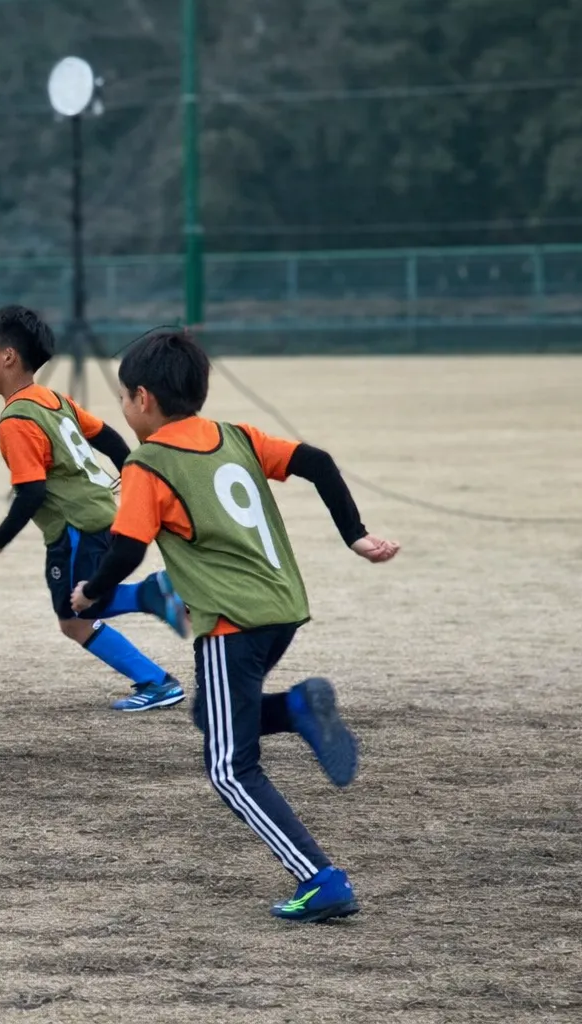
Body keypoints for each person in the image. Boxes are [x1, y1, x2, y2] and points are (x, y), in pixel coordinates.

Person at [71, 327, 399, 922]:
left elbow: (127, 549)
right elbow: (318, 463)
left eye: (122, 396)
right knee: (213, 715)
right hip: (281, 609)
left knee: (229, 767)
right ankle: (297, 708)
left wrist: (91, 592)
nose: (122, 407)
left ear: (143, 398)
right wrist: (354, 534)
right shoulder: (236, 436)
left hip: (231, 623)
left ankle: (319, 878)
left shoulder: (149, 463)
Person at [0, 305, 189, 711]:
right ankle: (154, 648)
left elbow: (32, 493)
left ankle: (156, 657)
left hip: (75, 528)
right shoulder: (53, 400)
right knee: (76, 613)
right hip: (99, 517)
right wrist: (131, 475)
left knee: (75, 612)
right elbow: (109, 437)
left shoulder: (16, 420)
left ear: (9, 357)